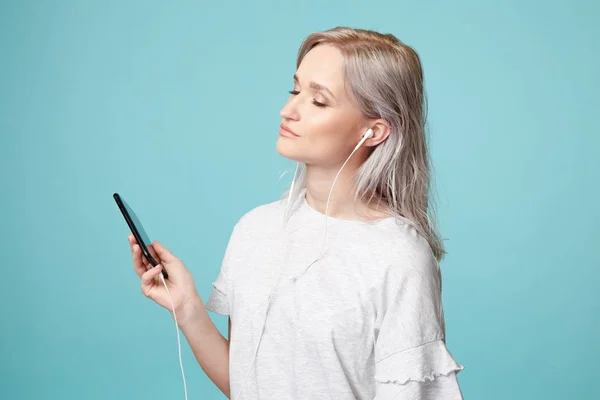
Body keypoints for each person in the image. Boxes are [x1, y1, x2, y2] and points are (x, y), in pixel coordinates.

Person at [128, 26, 464, 399]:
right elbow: (247, 384)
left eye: (318, 101)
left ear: (374, 131)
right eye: (295, 90)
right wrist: (188, 306)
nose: (288, 110)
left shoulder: (399, 259)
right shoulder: (255, 230)